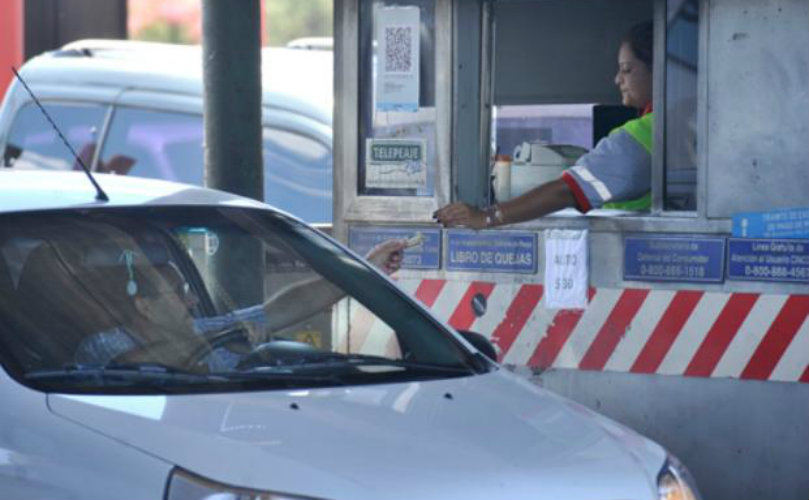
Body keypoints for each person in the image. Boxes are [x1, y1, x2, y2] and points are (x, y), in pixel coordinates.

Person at [433, 21, 654, 229]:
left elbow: (567, 191)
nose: (617, 80)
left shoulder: (645, 134)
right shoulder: (676, 126)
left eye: (627, 70)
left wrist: (486, 217)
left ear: (659, 70)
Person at [73, 238, 407, 367]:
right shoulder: (102, 347)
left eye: (189, 290)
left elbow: (292, 304)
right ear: (144, 306)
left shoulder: (211, 328)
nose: (191, 301)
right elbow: (125, 365)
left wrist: (364, 268)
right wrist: (209, 343)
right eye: (178, 293)